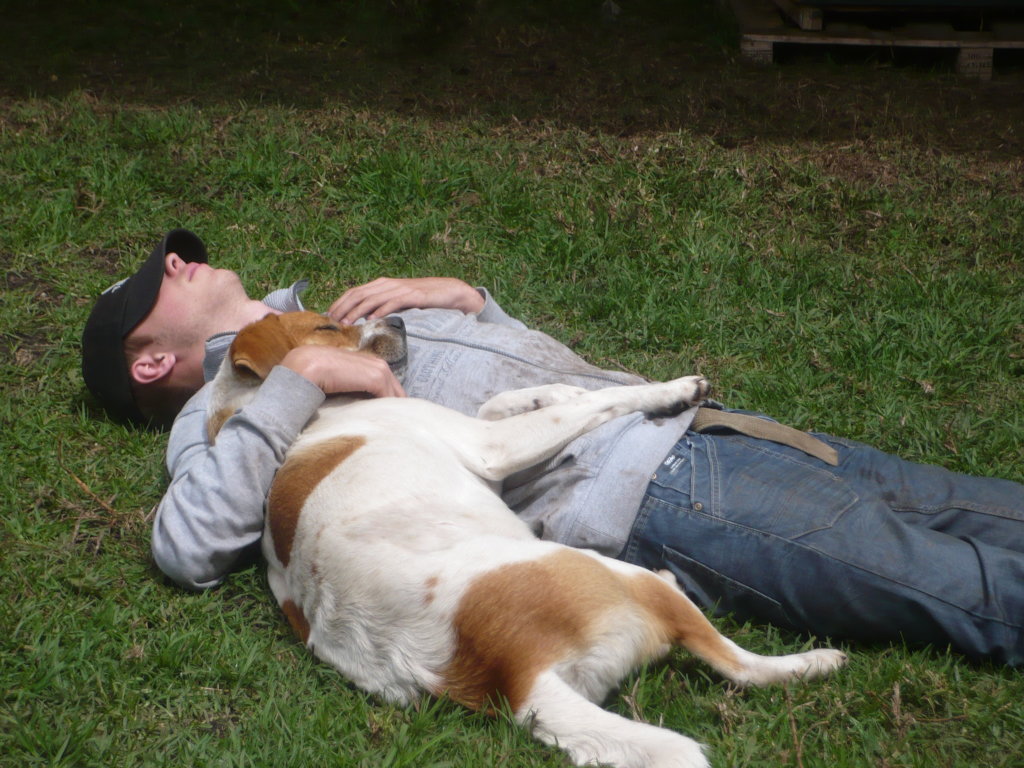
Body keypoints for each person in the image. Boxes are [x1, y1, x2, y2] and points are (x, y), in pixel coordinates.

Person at [82, 229, 1024, 667]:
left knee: (982, 506)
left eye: (169, 255)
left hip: (696, 423)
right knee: (958, 585)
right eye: (147, 288)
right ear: (154, 359)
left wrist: (470, 303)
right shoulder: (219, 410)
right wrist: (300, 383)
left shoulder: (333, 311)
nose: (174, 257)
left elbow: (521, 373)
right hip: (648, 494)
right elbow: (187, 545)